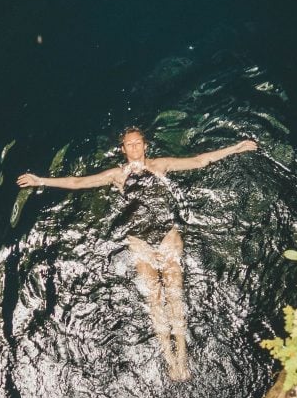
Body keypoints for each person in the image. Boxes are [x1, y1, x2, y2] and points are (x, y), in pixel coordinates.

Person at [17, 128, 257, 382]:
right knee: (154, 300)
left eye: (137, 143)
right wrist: (40, 180)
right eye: (128, 145)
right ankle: (169, 360)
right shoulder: (116, 176)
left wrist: (237, 147)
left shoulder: (160, 165)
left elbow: (199, 160)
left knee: (174, 296)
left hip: (167, 236)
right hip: (139, 242)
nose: (133, 148)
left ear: (145, 146)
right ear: (123, 149)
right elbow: (78, 182)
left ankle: (183, 358)